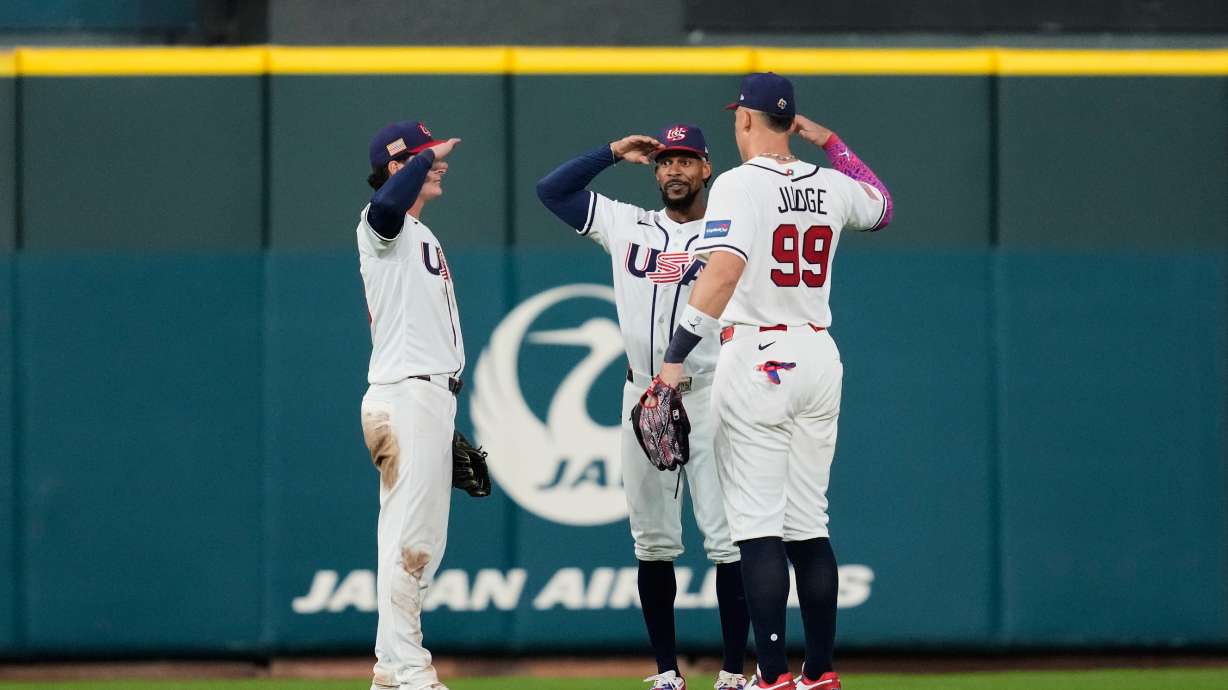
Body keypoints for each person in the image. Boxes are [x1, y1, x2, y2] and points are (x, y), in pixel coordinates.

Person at [649, 73, 893, 690]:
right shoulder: (833, 184)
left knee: (757, 527)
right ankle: (821, 671)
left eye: (739, 117)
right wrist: (832, 140)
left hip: (757, 352)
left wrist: (676, 357)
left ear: (747, 121)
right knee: (809, 524)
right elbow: (883, 205)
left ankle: (773, 676)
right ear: (794, 123)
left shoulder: (736, 184)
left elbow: (725, 270)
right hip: (817, 354)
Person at [537, 124, 751, 690]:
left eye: (685, 160)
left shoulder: (730, 231)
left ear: (708, 168)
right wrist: (609, 153)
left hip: (709, 393)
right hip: (642, 393)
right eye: (664, 162)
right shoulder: (626, 223)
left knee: (727, 539)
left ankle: (733, 673)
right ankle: (666, 674)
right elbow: (552, 192)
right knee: (653, 540)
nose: (673, 170)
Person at [357, 119, 464, 690]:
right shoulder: (383, 228)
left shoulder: (419, 232)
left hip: (425, 396)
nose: (439, 161)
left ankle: (390, 670)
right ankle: (411, 672)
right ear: (399, 168)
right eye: (423, 157)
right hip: (406, 393)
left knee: (416, 541)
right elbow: (382, 209)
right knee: (410, 542)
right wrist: (424, 160)